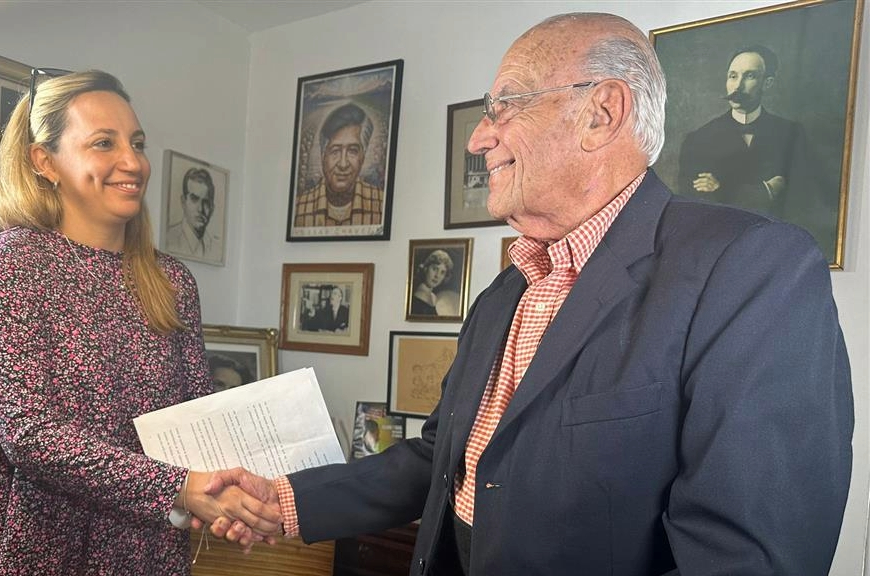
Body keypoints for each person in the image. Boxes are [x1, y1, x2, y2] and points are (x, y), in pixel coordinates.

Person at [203, 13, 853, 576]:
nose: (477, 137)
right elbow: (442, 460)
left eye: (503, 106)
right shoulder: (505, 290)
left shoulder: (750, 267)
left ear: (601, 114)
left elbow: (749, 557)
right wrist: (281, 501)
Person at [0, 70, 278, 576]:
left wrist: (230, 496)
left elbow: (196, 418)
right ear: (46, 162)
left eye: (137, 143)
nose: (133, 162)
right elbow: (28, 432)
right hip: (20, 538)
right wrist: (179, 488)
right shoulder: (8, 263)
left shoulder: (172, 280)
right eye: (104, 143)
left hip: (140, 544)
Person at [677, 45, 816, 219]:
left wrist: (721, 189)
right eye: (733, 76)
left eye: (749, 76)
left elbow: (802, 200)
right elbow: (694, 206)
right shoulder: (698, 140)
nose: (738, 86)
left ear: (767, 83)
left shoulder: (791, 134)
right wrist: (767, 190)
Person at [293, 102, 384, 227]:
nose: (343, 164)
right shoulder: (299, 207)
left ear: (362, 157)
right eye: (335, 151)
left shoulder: (381, 203)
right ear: (323, 155)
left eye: (352, 151)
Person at [166, 167, 221, 259]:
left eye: (206, 202)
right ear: (183, 202)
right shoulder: (170, 237)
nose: (200, 209)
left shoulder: (216, 248)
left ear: (212, 208)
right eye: (194, 199)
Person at [409, 249, 459, 317]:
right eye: (435, 269)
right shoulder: (418, 295)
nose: (437, 275)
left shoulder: (433, 297)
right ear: (426, 268)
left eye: (442, 272)